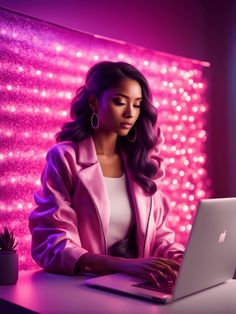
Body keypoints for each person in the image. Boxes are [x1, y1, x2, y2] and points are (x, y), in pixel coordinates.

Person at [29, 61, 184, 288]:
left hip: (133, 285)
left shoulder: (140, 163)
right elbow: (53, 243)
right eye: (119, 102)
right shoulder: (65, 157)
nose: (130, 113)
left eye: (138, 105)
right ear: (93, 102)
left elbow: (158, 235)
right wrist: (123, 264)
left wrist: (181, 259)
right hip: (82, 287)